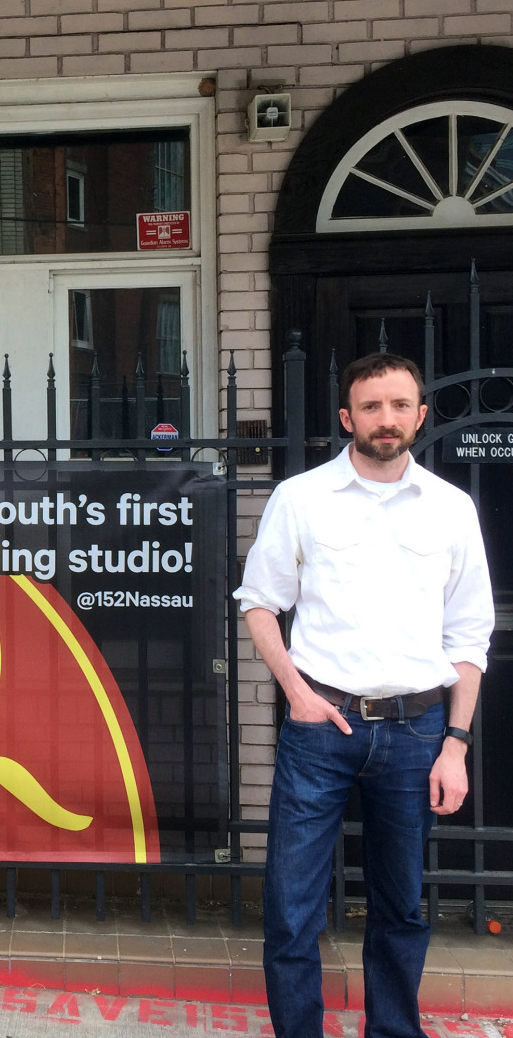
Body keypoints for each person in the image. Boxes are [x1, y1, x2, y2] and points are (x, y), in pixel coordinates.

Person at [233, 352, 494, 1038]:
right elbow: (260, 604)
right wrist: (295, 691)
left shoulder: (450, 509)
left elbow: (470, 637)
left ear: (420, 415)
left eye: (399, 405)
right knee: (291, 909)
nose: (387, 419)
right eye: (372, 407)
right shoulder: (302, 498)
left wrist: (456, 745)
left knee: (401, 908)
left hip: (417, 733)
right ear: (348, 417)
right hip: (322, 726)